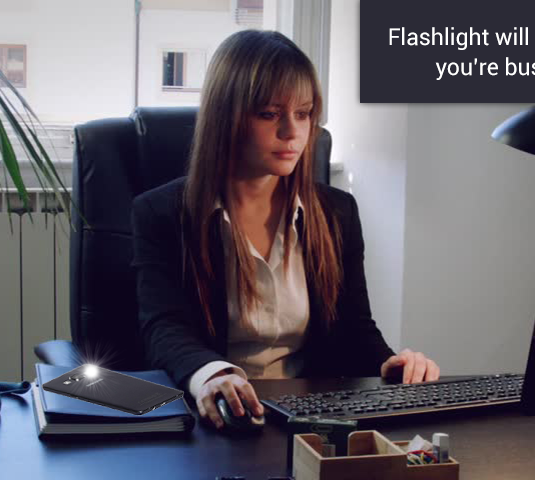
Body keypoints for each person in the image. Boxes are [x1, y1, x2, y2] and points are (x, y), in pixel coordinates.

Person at [131, 30, 439, 430]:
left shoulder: (336, 213)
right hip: (216, 417)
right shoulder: (161, 213)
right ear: (226, 118)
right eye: (269, 114)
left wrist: (390, 363)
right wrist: (210, 374)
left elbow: (354, 328)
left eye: (304, 113)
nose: (292, 132)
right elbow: (164, 327)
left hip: (312, 417)